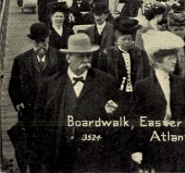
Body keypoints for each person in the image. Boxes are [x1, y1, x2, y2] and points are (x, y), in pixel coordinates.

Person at [32, 34, 121, 172]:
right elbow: (39, 124)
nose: (86, 60)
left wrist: (112, 113)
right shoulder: (50, 84)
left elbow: (119, 121)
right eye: (80, 56)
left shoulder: (106, 81)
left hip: (94, 158)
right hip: (61, 156)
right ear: (68, 58)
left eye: (89, 56)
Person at [129, 30, 185, 172]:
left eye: (175, 56)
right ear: (158, 60)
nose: (174, 60)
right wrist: (137, 148)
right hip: (154, 144)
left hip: (178, 144)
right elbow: (137, 119)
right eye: (170, 57)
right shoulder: (143, 86)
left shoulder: (182, 83)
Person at [9, 23, 66, 172]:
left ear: (48, 39)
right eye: (37, 42)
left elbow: (66, 80)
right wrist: (18, 102)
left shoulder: (60, 57)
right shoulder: (21, 60)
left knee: (53, 143)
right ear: (32, 41)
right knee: (32, 145)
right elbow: (13, 85)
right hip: (30, 110)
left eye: (44, 41)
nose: (41, 45)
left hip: (53, 110)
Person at [97, 17, 151, 108]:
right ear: (117, 41)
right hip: (116, 95)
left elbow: (146, 74)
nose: (127, 42)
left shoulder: (139, 53)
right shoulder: (107, 55)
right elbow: (102, 78)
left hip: (135, 94)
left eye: (129, 39)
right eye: (124, 39)